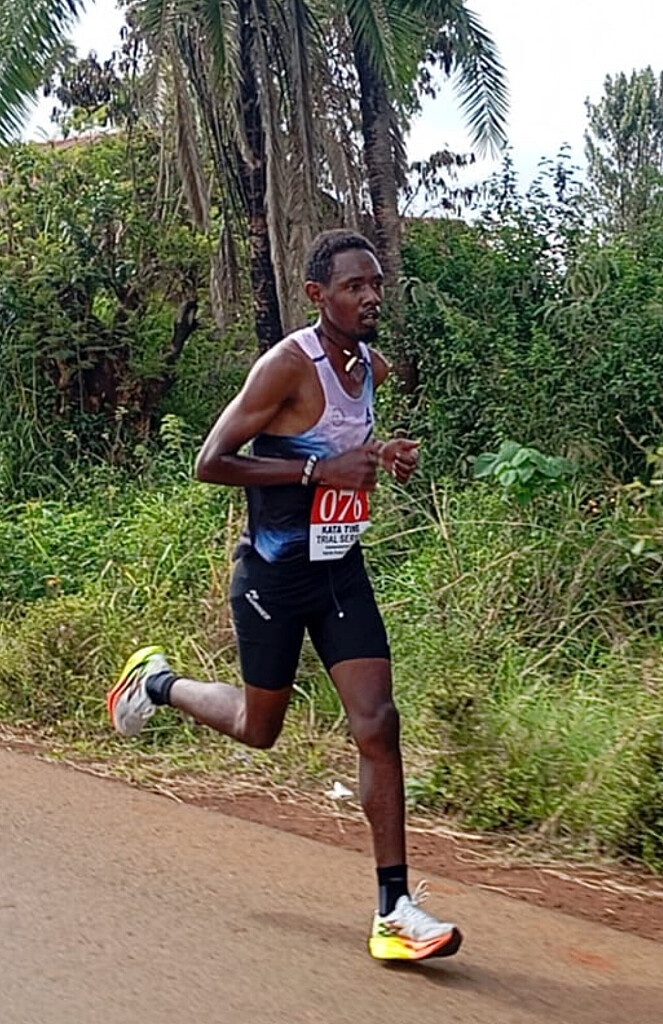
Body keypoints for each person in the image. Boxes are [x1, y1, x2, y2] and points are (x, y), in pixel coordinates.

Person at [107, 229, 463, 962]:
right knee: (258, 726)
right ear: (316, 295)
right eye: (354, 286)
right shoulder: (286, 366)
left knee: (378, 722)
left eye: (375, 284)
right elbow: (211, 462)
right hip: (271, 576)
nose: (370, 296)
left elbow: (344, 447)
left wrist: (381, 455)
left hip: (339, 571)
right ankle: (158, 682)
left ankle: (394, 910)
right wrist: (315, 473)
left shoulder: (370, 367)